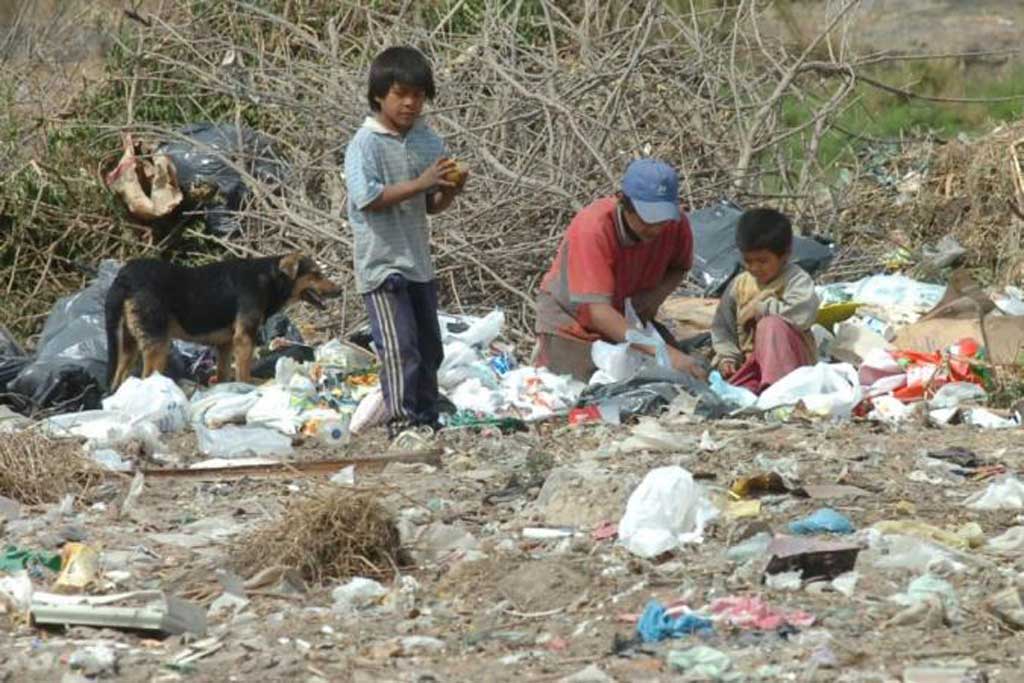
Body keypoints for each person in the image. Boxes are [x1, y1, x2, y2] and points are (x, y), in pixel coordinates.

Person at [344, 46, 468, 436]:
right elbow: (369, 199)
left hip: (417, 262)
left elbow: (432, 205)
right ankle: (401, 423)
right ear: (380, 94)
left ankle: (426, 418)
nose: (410, 103)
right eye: (401, 94)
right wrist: (424, 182)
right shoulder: (364, 144)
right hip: (382, 265)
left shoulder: (426, 141)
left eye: (417, 95)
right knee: (399, 350)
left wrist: (451, 188)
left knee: (429, 348)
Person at [533, 158, 705, 382]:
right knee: (584, 388)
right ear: (624, 202)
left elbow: (679, 267)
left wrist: (652, 299)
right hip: (573, 323)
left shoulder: (675, 224)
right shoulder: (594, 228)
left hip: (627, 320)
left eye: (662, 219)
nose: (656, 228)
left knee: (682, 377)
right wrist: (661, 350)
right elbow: (598, 313)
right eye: (648, 218)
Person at [710, 207, 819, 394]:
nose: (754, 268)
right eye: (748, 261)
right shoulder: (739, 285)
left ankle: (778, 392)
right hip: (754, 366)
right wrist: (727, 358)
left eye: (762, 261)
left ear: (785, 255)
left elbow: (803, 315)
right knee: (733, 393)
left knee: (771, 325)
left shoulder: (795, 279)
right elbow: (723, 327)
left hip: (793, 370)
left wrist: (763, 309)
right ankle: (762, 390)